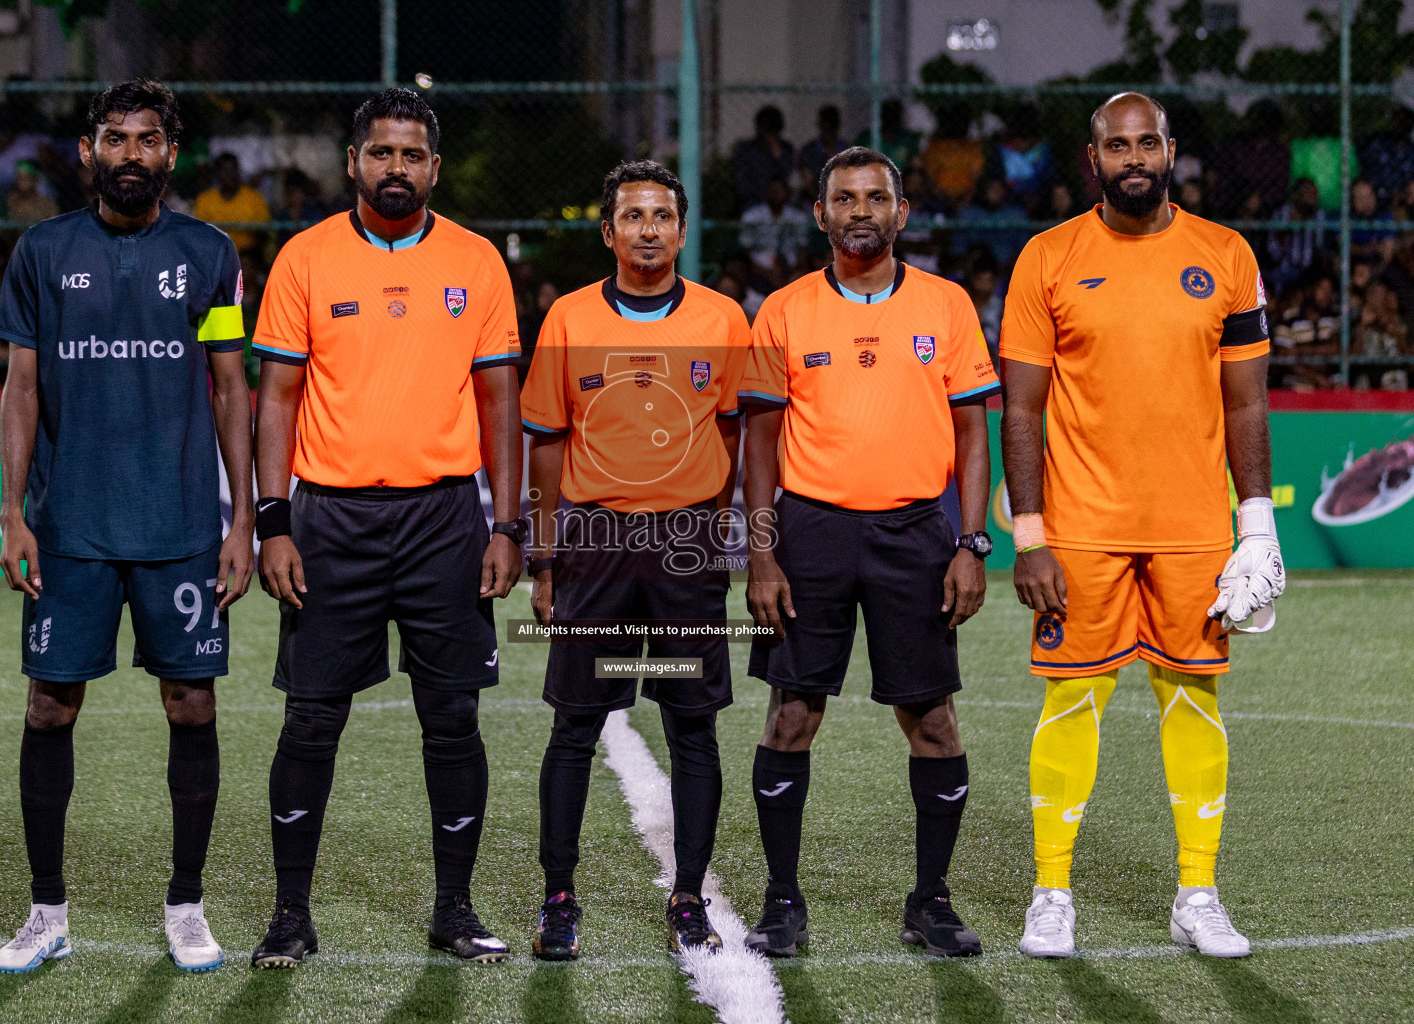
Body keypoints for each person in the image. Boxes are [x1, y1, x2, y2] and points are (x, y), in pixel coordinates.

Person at [1000, 92, 1280, 961]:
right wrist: (1031, 535)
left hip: (1195, 526)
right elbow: (1019, 409)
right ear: (1093, 160)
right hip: (1080, 527)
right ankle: (1052, 893)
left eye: (1146, 142)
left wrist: (1259, 526)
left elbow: (1247, 400)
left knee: (1193, 696)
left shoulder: (1227, 255)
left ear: (1170, 151)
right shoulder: (1046, 258)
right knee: (1071, 695)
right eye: (1115, 145)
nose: (1132, 158)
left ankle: (1197, 893)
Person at [248, 87, 524, 969]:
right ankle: (291, 914)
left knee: (452, 719)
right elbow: (277, 399)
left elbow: (500, 403)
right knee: (311, 722)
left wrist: (508, 525)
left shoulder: (478, 262)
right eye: (381, 153)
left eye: (411, 155)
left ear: (433, 168)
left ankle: (454, 907)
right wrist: (272, 522)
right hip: (330, 520)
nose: (395, 167)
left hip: (444, 517)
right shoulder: (306, 258)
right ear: (355, 162)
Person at [0, 78, 255, 974]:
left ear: (170, 154)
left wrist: (242, 521)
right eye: (116, 138)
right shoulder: (42, 249)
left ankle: (186, 904)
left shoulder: (211, 253)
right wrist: (13, 514)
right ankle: (46, 911)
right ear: (88, 151)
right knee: (50, 706)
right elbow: (20, 388)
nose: (131, 153)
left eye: (148, 139)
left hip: (180, 523)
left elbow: (229, 385)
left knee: (192, 702)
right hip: (69, 528)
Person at [738, 146, 1000, 960]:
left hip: (917, 533)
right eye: (844, 199)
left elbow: (971, 432)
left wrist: (971, 541)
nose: (860, 211)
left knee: (932, 721)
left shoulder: (947, 305)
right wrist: (761, 554)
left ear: (901, 212)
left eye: (875, 198)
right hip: (810, 531)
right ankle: (783, 903)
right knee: (790, 715)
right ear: (819, 215)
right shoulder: (781, 310)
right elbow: (759, 439)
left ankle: (931, 901)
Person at [521, 160, 751, 960]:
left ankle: (689, 898)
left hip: (684, 551)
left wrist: (715, 534)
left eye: (662, 216)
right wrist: (544, 559)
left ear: (682, 230)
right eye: (633, 216)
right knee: (576, 723)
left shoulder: (723, 320)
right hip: (595, 546)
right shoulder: (568, 319)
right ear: (609, 230)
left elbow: (730, 432)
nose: (648, 229)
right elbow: (547, 445)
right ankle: (559, 895)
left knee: (692, 723)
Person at [193, 152, 272, 258]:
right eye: (224, 170)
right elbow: (200, 235)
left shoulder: (254, 198)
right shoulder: (205, 200)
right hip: (216, 256)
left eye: (232, 170)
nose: (229, 174)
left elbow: (264, 235)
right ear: (217, 173)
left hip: (249, 257)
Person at [732, 105, 795, 213]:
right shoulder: (747, 150)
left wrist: (777, 153)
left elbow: (788, 175)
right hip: (756, 200)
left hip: (782, 201)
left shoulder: (786, 148)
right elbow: (743, 182)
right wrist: (765, 196)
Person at [739, 177, 807, 275]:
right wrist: (765, 273)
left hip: (790, 265)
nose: (776, 194)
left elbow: (802, 247)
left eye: (779, 190)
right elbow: (746, 249)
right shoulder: (751, 216)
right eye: (773, 190)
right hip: (760, 265)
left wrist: (794, 271)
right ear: (766, 192)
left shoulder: (798, 217)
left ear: (787, 193)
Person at [797, 105, 848, 203]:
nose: (828, 131)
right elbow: (807, 182)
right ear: (820, 125)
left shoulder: (846, 149)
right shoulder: (809, 150)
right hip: (814, 199)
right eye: (825, 126)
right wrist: (823, 202)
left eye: (832, 126)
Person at [5, 160, 61, 227]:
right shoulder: (10, 202)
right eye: (19, 179)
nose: (22, 183)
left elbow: (54, 226)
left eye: (26, 179)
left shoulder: (47, 204)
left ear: (34, 180)